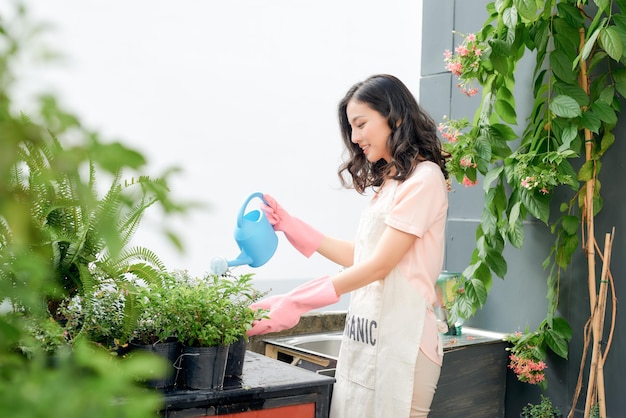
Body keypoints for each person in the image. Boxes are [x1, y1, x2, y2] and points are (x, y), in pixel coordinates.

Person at [247, 74, 449, 418]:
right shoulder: (390, 184)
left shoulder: (424, 179)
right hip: (367, 336)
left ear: (395, 117)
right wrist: (292, 227)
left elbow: (379, 266)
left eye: (360, 124)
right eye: (351, 129)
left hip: (405, 341)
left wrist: (294, 302)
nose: (355, 139)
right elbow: (365, 256)